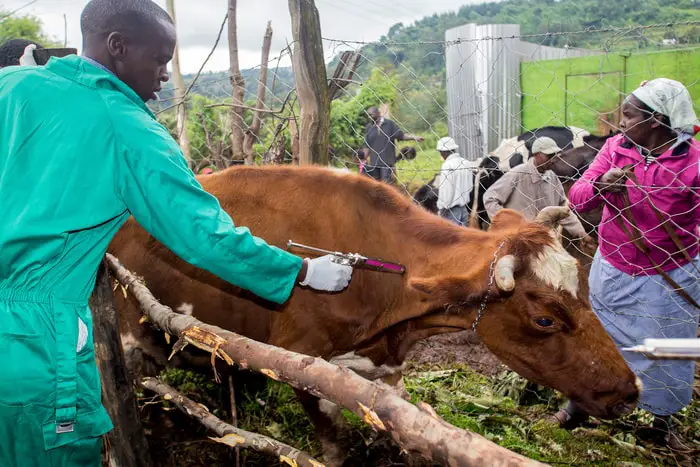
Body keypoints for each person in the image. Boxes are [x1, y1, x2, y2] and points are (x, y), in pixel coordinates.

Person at [0, 0, 352, 464]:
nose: (165, 75)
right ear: (117, 46)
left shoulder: (13, 85)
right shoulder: (129, 128)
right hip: (36, 339)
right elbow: (204, 235)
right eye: (159, 59)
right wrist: (301, 270)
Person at [564, 78, 700, 451]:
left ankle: (661, 421)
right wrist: (600, 185)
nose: (621, 122)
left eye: (628, 115)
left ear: (655, 120)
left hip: (671, 271)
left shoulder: (694, 161)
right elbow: (577, 196)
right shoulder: (615, 148)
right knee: (600, 337)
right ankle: (580, 405)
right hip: (614, 263)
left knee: (669, 345)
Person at [483, 136, 592, 243]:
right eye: (549, 155)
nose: (554, 160)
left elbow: (562, 209)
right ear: (536, 154)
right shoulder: (518, 173)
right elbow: (490, 198)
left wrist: (581, 234)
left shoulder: (552, 178)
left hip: (544, 240)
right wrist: (508, 224)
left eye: (555, 155)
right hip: (516, 238)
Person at [361, 106, 424, 183]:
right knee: (376, 185)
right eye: (368, 115)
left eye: (371, 115)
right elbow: (367, 146)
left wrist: (414, 137)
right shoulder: (368, 127)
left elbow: (401, 135)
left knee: (387, 184)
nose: (369, 117)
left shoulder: (389, 124)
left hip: (387, 163)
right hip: (374, 163)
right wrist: (363, 159)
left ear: (378, 113)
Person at [435, 137, 474, 226]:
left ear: (443, 151)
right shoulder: (466, 163)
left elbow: (446, 191)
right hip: (464, 208)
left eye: (440, 152)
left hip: (450, 210)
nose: (441, 155)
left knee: (450, 238)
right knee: (462, 237)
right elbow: (470, 187)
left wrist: (441, 209)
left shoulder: (447, 165)